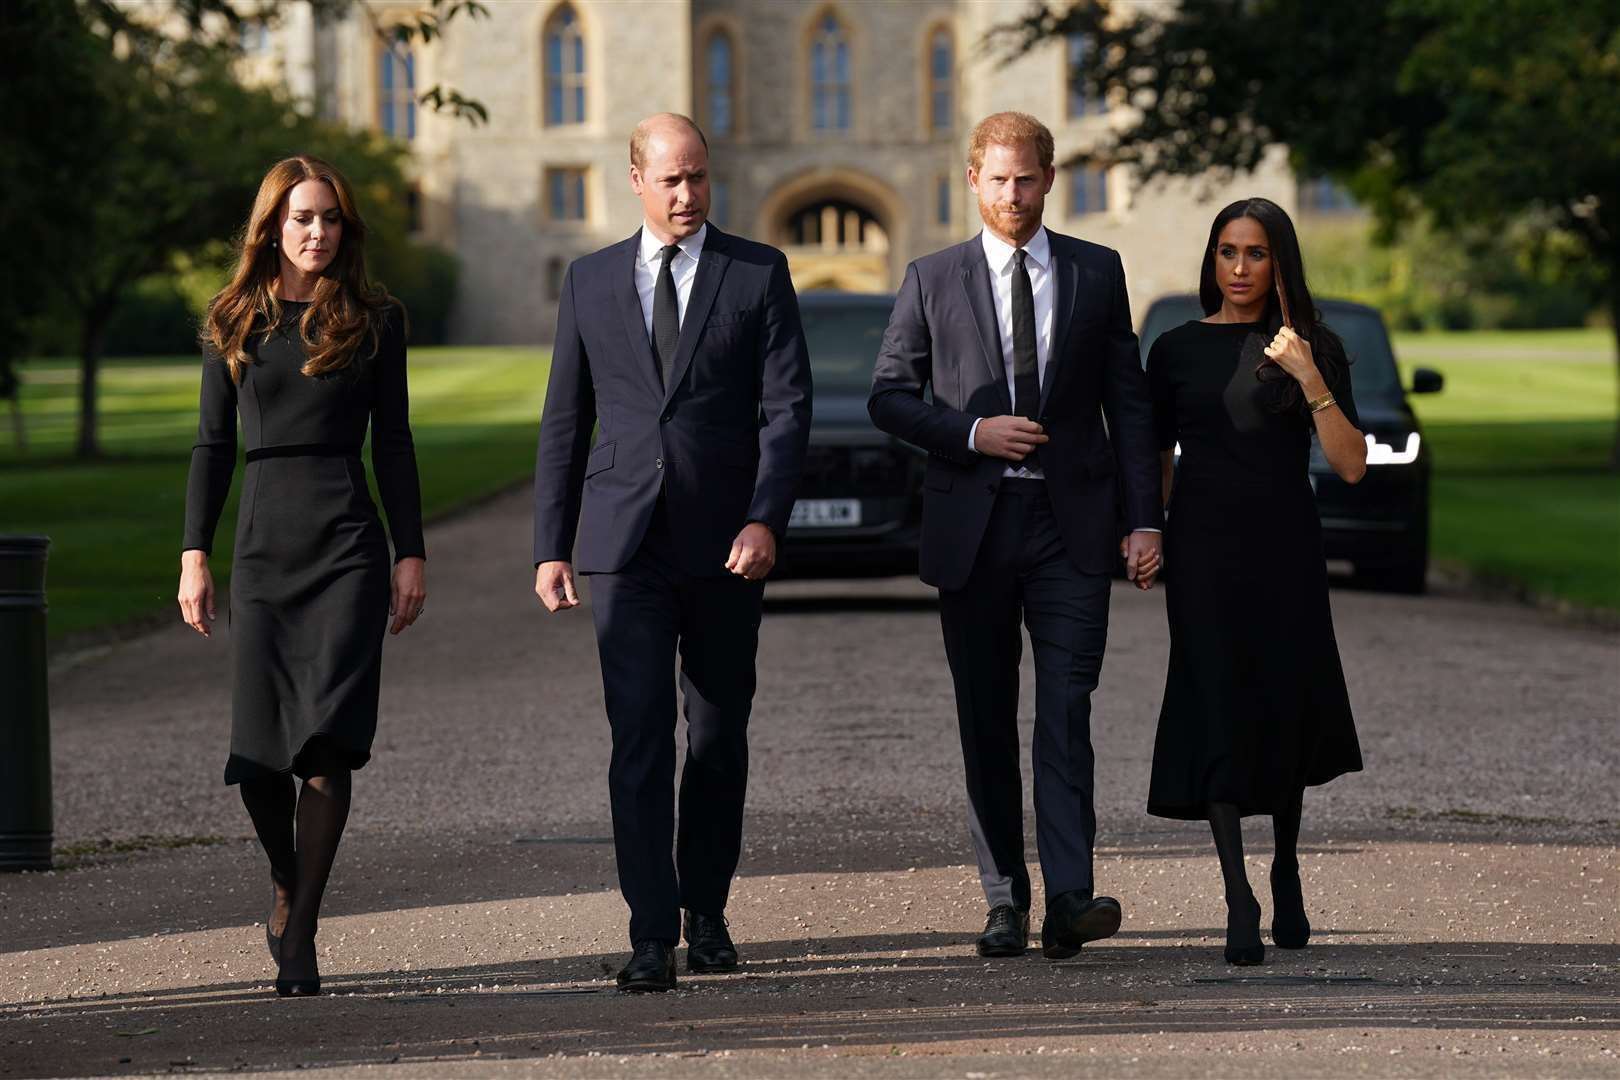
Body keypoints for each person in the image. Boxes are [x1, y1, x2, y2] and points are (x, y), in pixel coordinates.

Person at [868, 112, 1163, 961]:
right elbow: (889, 395)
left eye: (1027, 178)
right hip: (976, 528)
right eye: (997, 179)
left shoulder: (1096, 271)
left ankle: (1071, 895)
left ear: (1049, 178)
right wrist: (971, 433)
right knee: (986, 718)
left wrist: (1145, 518)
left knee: (1067, 711)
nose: (1013, 194)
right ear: (973, 181)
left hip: (1072, 527)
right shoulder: (932, 277)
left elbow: (1129, 405)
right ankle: (1004, 898)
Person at [532, 113, 812, 993]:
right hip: (623, 545)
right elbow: (565, 422)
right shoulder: (589, 279)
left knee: (719, 735)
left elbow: (787, 411)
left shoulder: (757, 272)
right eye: (672, 180)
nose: (689, 194)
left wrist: (765, 519)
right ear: (636, 181)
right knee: (641, 737)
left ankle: (709, 914)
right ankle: (651, 930)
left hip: (728, 544)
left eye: (699, 177)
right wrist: (552, 544)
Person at [178, 156, 425, 997]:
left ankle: (305, 930)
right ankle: (285, 880)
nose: (318, 232)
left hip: (348, 543)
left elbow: (393, 442)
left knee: (326, 746)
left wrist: (410, 552)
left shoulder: (375, 319)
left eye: (330, 218)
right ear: (272, 228)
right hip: (262, 545)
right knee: (257, 759)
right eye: (302, 219)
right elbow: (212, 447)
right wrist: (192, 553)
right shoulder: (234, 320)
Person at [1144, 197, 1366, 966]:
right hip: (1203, 549)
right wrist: (1145, 529)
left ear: (1281, 262)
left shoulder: (1316, 346)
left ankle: (1286, 864)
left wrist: (1307, 375)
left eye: (1256, 253)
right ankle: (1237, 893)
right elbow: (1158, 455)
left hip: (1285, 547)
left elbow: (1350, 462)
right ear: (1213, 260)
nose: (1239, 268)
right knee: (1214, 699)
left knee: (1282, 700)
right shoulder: (1173, 349)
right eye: (1227, 252)